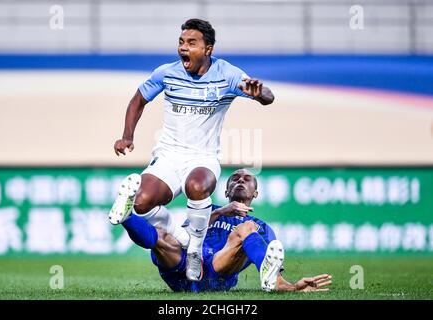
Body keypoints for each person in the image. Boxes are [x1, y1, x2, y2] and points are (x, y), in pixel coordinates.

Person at [109, 18, 275, 282]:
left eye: (191, 43)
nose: (183, 48)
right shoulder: (167, 72)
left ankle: (195, 249)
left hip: (203, 157)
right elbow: (138, 100)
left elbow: (267, 96)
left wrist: (258, 93)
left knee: (197, 186)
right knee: (141, 202)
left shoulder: (227, 74)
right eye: (181, 42)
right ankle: (185, 237)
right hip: (168, 155)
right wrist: (126, 136)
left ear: (208, 49)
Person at [119, 169, 332, 293]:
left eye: (246, 179)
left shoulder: (262, 227)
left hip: (216, 276)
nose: (240, 180)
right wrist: (221, 212)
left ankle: (269, 283)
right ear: (226, 191)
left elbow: (273, 263)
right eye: (235, 179)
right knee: (161, 233)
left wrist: (293, 287)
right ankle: (126, 217)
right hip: (182, 269)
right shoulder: (208, 210)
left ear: (255, 193)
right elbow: (184, 236)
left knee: (247, 228)